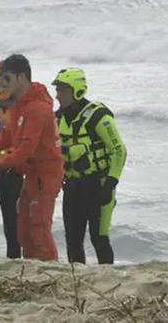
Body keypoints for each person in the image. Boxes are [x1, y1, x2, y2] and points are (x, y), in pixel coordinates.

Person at [0, 54, 63, 261]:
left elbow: (26, 148)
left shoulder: (38, 108)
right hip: (30, 173)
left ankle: (50, 268)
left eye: (8, 80)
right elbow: (10, 133)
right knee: (23, 229)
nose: (4, 85)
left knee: (39, 227)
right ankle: (32, 266)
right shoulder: (20, 104)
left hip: (45, 174)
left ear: (20, 78)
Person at [53, 68, 127, 265]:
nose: (58, 95)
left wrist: (110, 184)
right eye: (58, 90)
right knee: (73, 241)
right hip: (73, 187)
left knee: (99, 238)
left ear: (77, 91)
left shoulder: (98, 117)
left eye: (62, 91)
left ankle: (107, 278)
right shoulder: (58, 118)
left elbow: (119, 150)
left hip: (99, 186)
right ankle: (78, 281)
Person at [0, 62, 24, 258]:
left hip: (12, 169)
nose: (0, 89)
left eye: (4, 84)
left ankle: (14, 259)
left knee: (12, 220)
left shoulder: (22, 105)